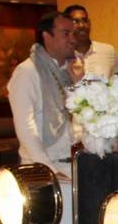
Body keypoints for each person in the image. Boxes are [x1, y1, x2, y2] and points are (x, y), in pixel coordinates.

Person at [7, 11, 83, 177]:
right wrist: (49, 170)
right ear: (47, 36)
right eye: (66, 34)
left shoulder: (71, 72)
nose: (73, 39)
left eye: (74, 33)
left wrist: (80, 83)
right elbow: (26, 128)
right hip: (43, 170)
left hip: (75, 166)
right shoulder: (27, 72)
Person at [64, 4, 118, 78]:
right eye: (75, 22)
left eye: (85, 20)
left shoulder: (108, 50)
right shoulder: (64, 57)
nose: (82, 25)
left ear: (89, 23)